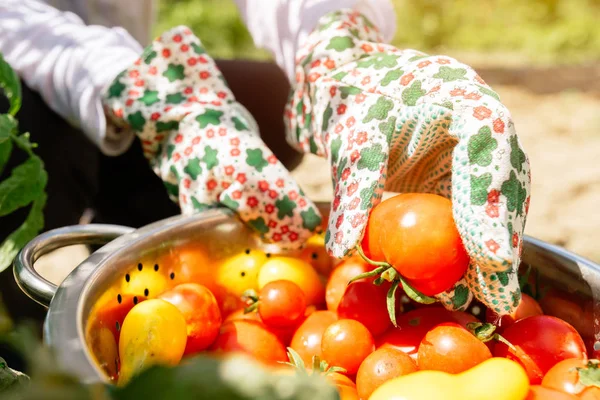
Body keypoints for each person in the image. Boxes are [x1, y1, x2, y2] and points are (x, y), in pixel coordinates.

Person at [0, 0, 530, 320]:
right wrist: (147, 92)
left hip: (111, 84)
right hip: (32, 77)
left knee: (272, 101)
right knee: (16, 114)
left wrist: (337, 52)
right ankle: (22, 322)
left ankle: (145, 245)